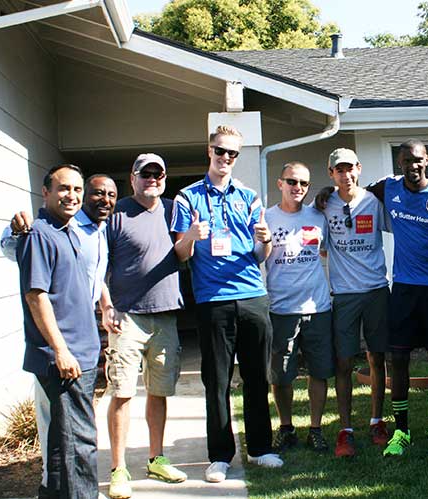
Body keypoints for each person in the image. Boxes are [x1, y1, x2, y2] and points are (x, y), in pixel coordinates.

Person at [172, 125, 282, 481]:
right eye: (221, 151)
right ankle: (219, 455)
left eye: (232, 153)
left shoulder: (249, 196)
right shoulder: (187, 198)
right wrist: (190, 235)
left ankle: (261, 448)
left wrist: (265, 241)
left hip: (252, 296)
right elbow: (180, 255)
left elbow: (260, 254)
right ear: (210, 150)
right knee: (216, 381)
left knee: (255, 377)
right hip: (213, 300)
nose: (226, 158)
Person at [1, 173, 117, 495]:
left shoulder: (70, 233)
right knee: (80, 445)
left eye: (76, 189)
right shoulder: (38, 234)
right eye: (64, 188)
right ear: (46, 192)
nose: (72, 195)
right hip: (66, 358)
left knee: (61, 444)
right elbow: (36, 296)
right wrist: (61, 350)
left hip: (82, 352)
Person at [100, 154, 187, 498]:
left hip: (165, 314)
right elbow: (97, 265)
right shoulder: (117, 213)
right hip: (127, 316)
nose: (152, 178)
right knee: (121, 393)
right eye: (145, 173)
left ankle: (156, 458)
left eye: (158, 173)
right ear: (132, 178)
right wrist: (106, 306)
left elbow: (184, 252)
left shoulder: (173, 210)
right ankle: (118, 468)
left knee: (159, 391)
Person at [367, 139, 428, 457]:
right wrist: (326, 196)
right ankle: (401, 429)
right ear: (399, 163)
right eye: (406, 161)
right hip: (403, 288)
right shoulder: (388, 188)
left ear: (427, 160)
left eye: (417, 160)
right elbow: (354, 193)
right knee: (398, 359)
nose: (412, 165)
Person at [322, 148, 391, 457]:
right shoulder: (324, 205)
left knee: (377, 357)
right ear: (331, 173)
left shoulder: (374, 202)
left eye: (350, 168)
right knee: (344, 362)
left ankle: (377, 420)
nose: (345, 174)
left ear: (359, 169)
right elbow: (319, 244)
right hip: (344, 293)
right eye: (339, 169)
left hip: (376, 289)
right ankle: (346, 428)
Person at [264, 162, 333, 454]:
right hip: (281, 309)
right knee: (281, 376)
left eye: (304, 183)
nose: (298, 188)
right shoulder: (265, 217)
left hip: (318, 307)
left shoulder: (318, 216)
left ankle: (315, 429)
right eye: (292, 181)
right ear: (280, 183)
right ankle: (287, 428)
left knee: (319, 372)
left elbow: (328, 250)